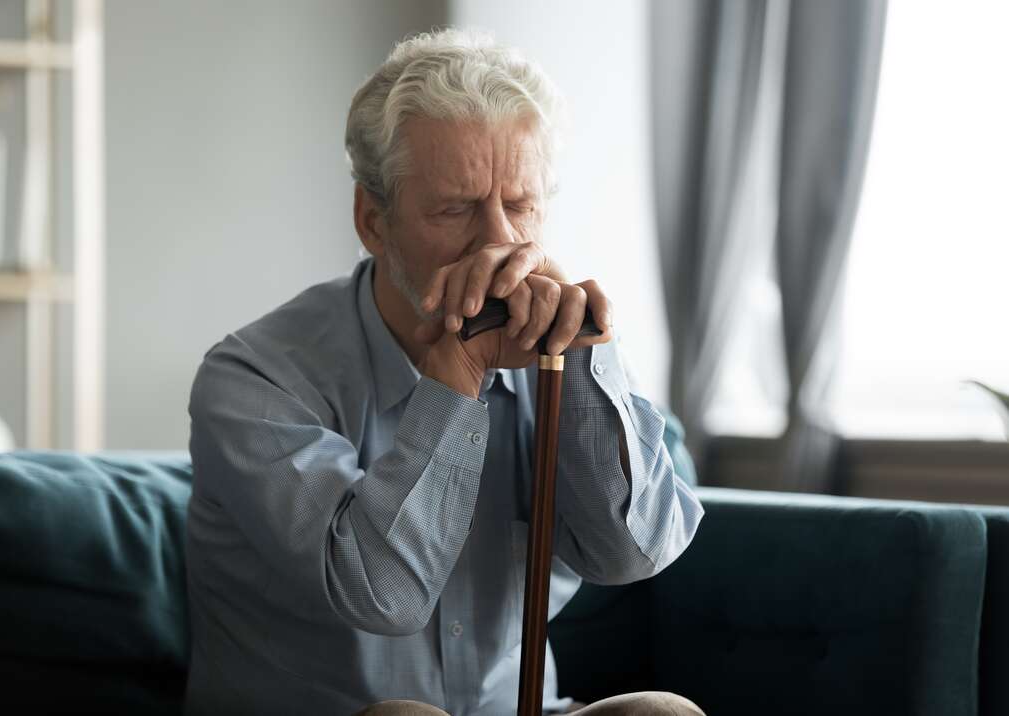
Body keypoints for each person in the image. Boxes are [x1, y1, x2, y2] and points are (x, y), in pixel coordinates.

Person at [185, 29, 705, 716]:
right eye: (456, 209)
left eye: (519, 206)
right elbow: (383, 593)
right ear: (373, 221)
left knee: (661, 715)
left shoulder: (551, 339)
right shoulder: (252, 380)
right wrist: (455, 378)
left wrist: (580, 354)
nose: (497, 242)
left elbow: (632, 554)